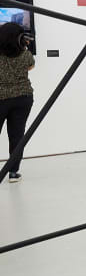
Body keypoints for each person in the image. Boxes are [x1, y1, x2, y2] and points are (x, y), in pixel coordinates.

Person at [0, 22, 34, 183]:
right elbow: (30, 67)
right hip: (23, 98)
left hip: (1, 98)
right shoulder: (25, 53)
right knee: (17, 136)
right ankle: (13, 173)